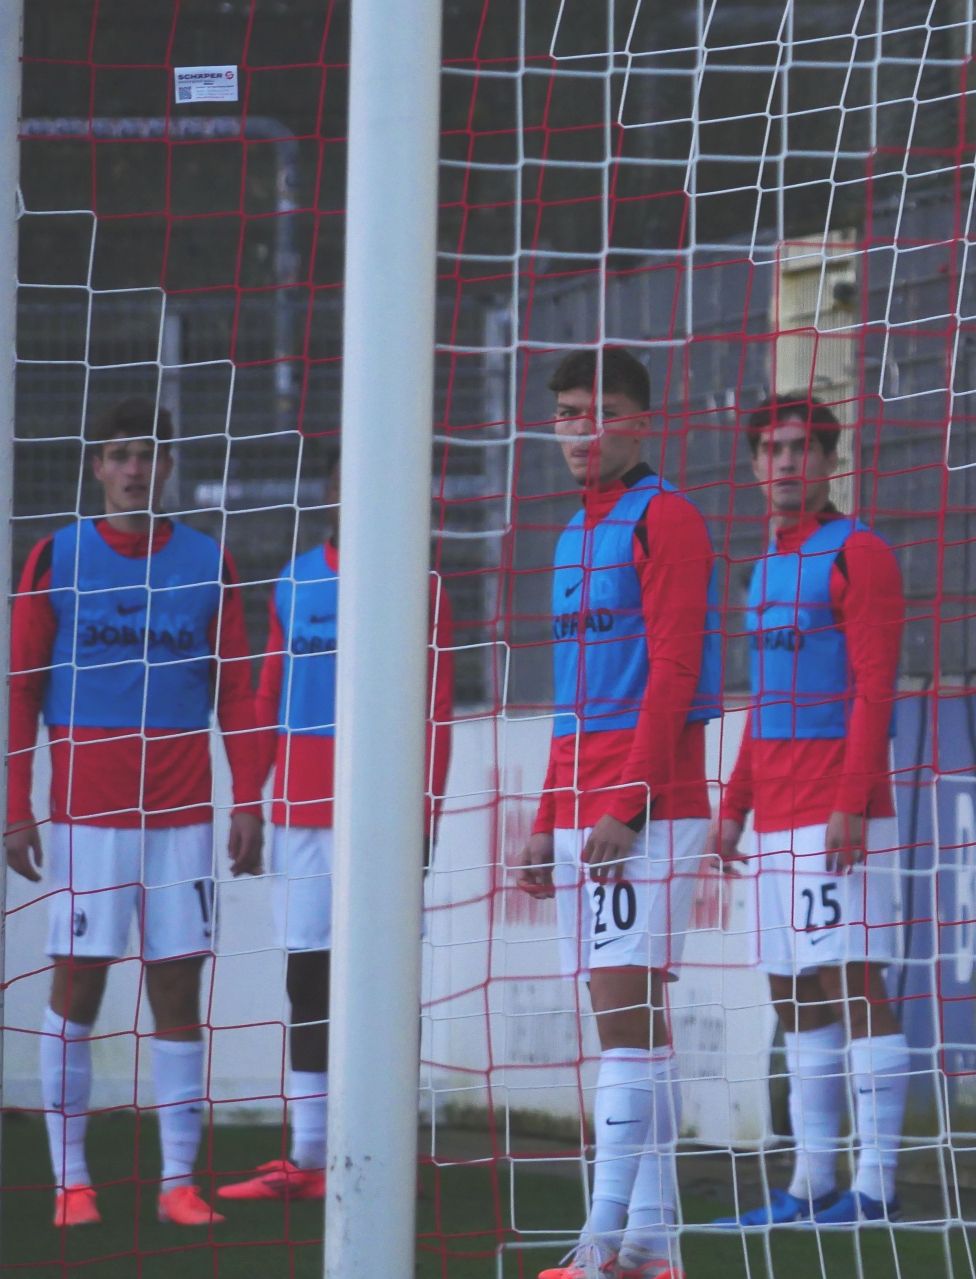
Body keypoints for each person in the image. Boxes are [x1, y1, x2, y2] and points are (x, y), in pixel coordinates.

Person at [6, 398, 269, 1229]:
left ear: (168, 466)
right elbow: (20, 690)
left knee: (179, 986)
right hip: (87, 817)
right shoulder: (55, 555)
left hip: (183, 815)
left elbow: (237, 691)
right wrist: (15, 806)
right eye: (119, 454)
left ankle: (178, 1183)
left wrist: (249, 798)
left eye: (148, 454)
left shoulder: (208, 560)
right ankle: (72, 1182)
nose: (134, 469)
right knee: (79, 983)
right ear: (97, 466)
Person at [512, 348, 722, 1279]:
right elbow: (573, 698)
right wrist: (544, 813)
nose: (578, 428)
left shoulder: (666, 517)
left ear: (639, 420)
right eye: (565, 411)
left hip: (644, 808)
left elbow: (674, 670)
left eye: (596, 411)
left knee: (623, 1022)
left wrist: (628, 804)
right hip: (581, 807)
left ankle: (599, 1247)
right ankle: (652, 1246)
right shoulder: (572, 533)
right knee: (634, 1025)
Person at [215, 453, 455, 1201]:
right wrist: (249, 800)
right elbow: (267, 694)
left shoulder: (421, 583)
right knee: (308, 977)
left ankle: (387, 1147)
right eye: (343, 485)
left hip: (386, 819)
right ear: (327, 496)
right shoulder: (293, 580)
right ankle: (310, 1154)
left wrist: (424, 819)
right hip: (300, 815)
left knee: (387, 982)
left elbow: (436, 710)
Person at [708, 395, 908, 1227]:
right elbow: (766, 701)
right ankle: (809, 1183)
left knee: (852, 982)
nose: (785, 462)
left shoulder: (859, 553)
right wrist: (734, 808)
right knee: (791, 994)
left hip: (837, 811)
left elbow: (875, 687)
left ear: (830, 459)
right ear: (755, 465)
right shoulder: (764, 568)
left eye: (799, 448)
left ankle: (876, 1186)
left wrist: (851, 801)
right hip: (776, 817)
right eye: (770, 449)